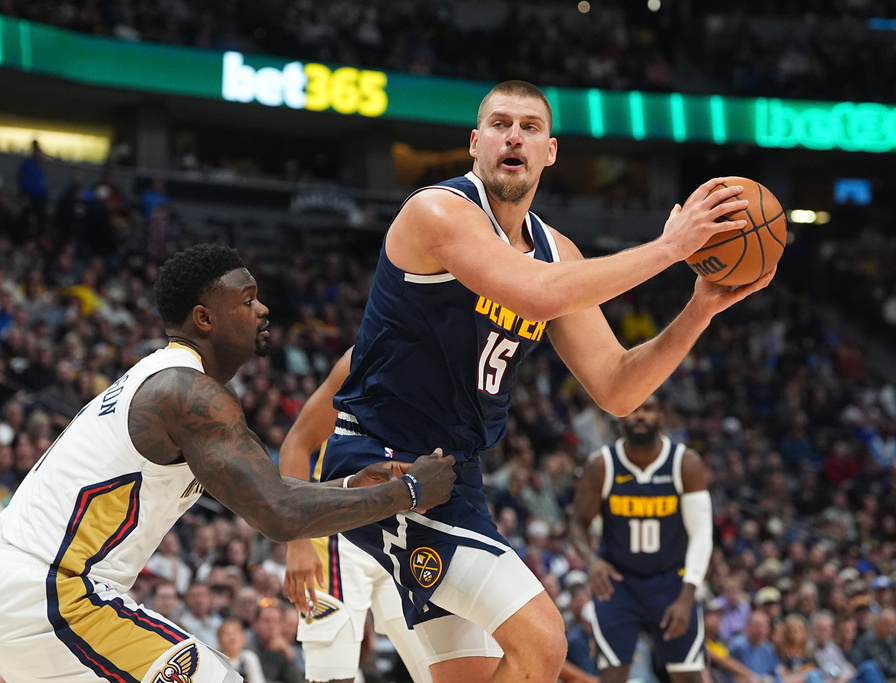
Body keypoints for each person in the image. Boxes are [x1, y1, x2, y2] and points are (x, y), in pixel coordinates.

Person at [319, 79, 770, 683]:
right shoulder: (437, 211)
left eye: (530, 127)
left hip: (455, 476)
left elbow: (618, 387)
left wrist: (700, 309)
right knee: (543, 643)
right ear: (475, 143)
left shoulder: (559, 252)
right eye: (501, 125)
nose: (514, 136)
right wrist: (668, 247)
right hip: (386, 464)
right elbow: (533, 292)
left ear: (550, 151)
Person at [0, 243, 456, 683]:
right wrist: (407, 494)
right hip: (46, 590)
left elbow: (264, 488)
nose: (262, 309)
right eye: (247, 299)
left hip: (3, 583)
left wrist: (349, 486)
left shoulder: (174, 381)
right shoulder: (188, 393)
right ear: (204, 319)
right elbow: (278, 512)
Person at [279, 348, 433, 683]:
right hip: (337, 533)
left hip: (404, 533)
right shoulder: (364, 355)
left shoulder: (460, 364)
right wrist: (298, 542)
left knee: (442, 666)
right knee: (333, 677)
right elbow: (296, 444)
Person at [567, 394, 712, 683]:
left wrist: (688, 594)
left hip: (671, 581)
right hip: (619, 584)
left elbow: (702, 534)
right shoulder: (602, 466)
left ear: (661, 417)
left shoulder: (685, 463)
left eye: (648, 409)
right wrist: (592, 561)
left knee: (689, 676)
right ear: (620, 416)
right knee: (612, 676)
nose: (640, 416)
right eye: (633, 410)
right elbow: (577, 523)